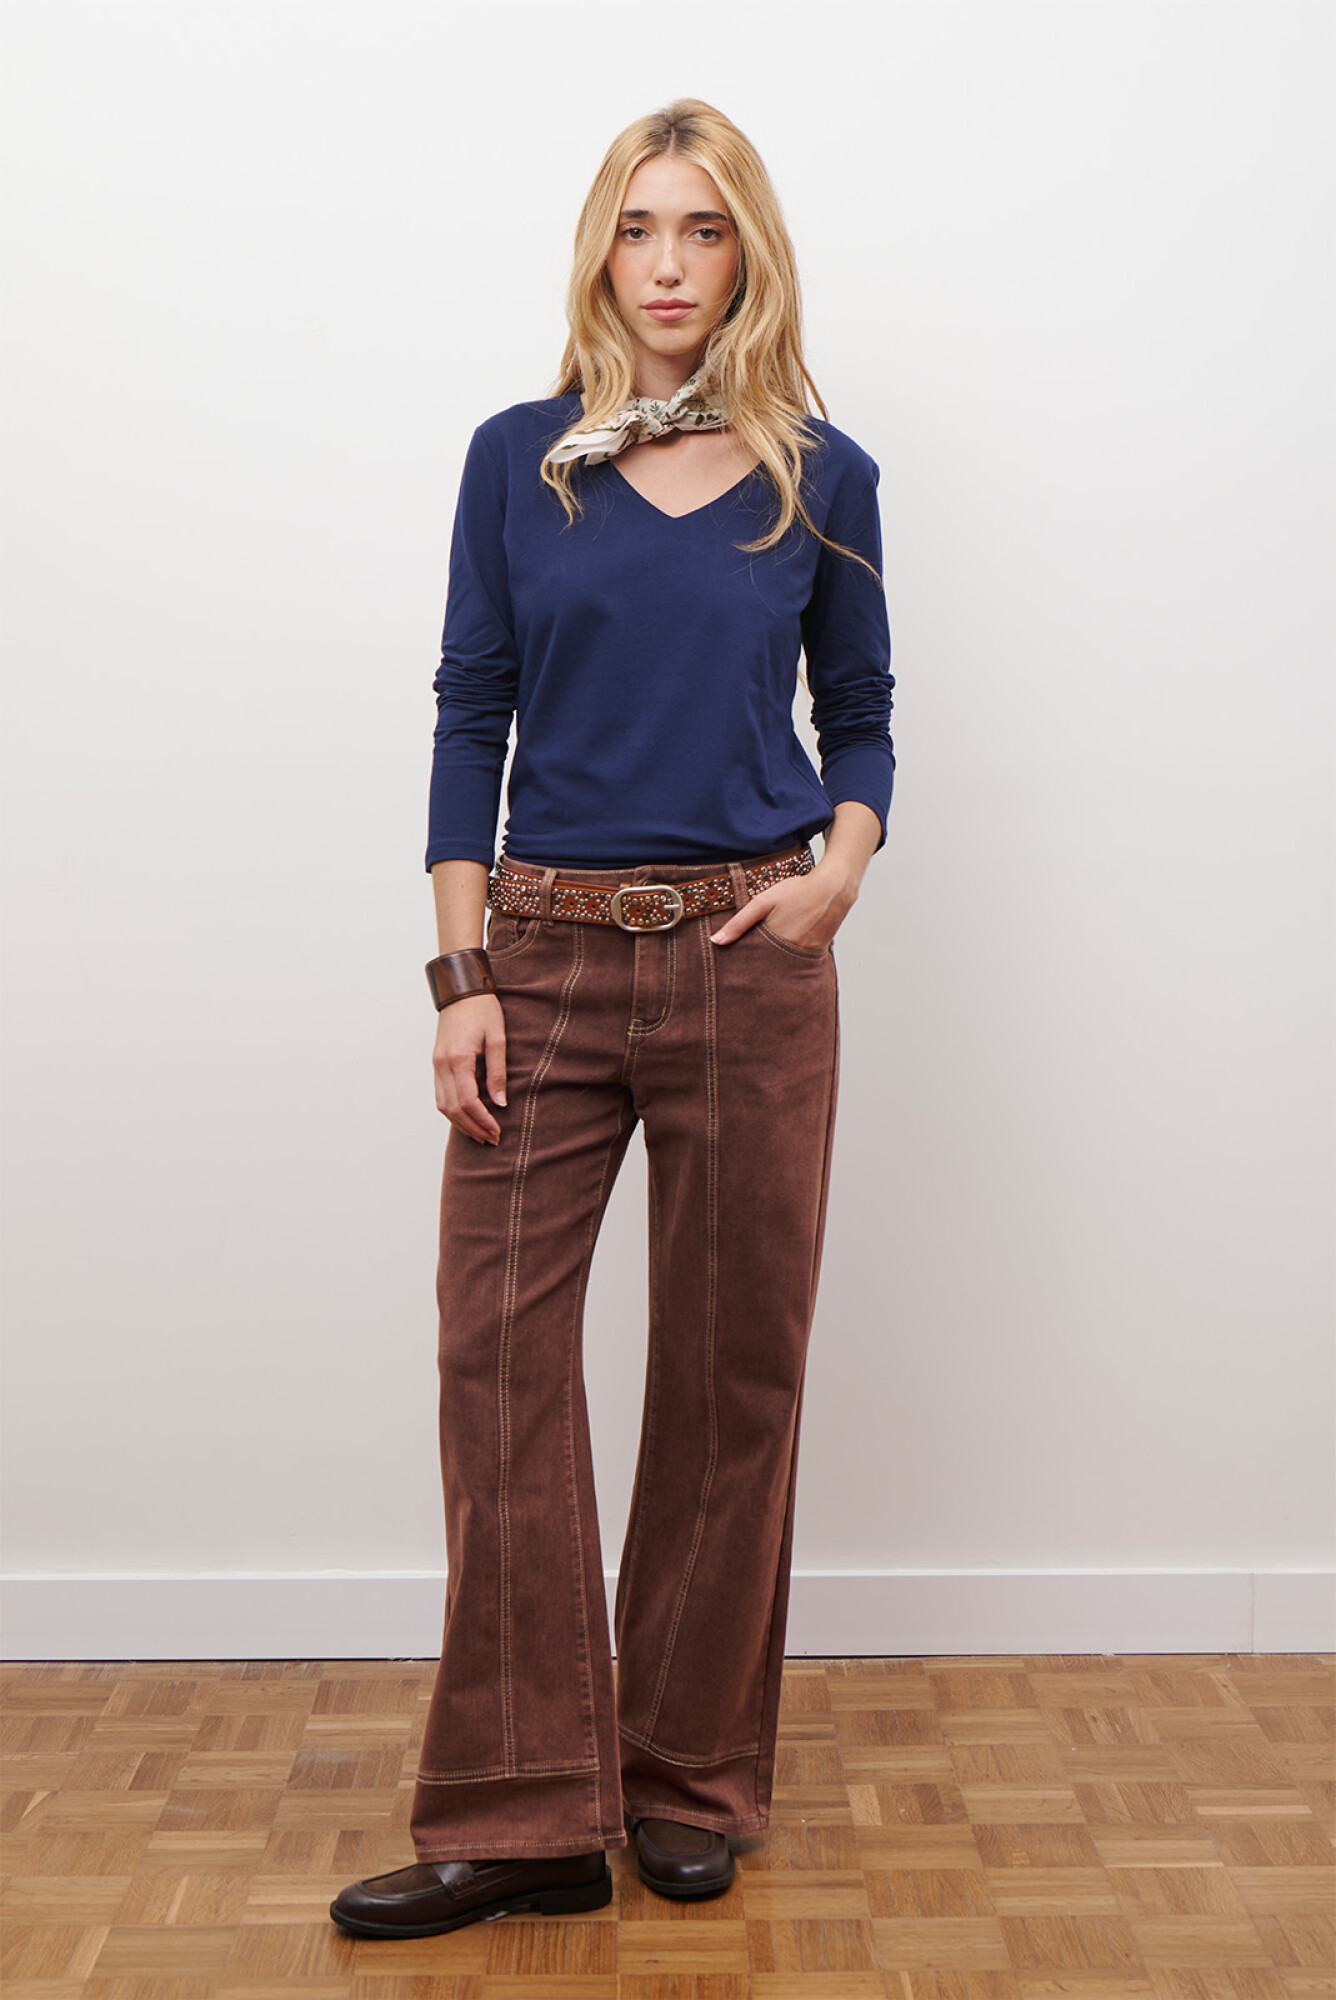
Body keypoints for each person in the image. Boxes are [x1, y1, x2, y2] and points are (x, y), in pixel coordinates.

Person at [331, 96, 895, 1941]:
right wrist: (460, 976)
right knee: (493, 1363)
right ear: (600, 249)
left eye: (705, 229)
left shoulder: (824, 475)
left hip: (750, 957)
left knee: (734, 1381)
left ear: (750, 255)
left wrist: (841, 868)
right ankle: (522, 1810)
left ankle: (687, 1776)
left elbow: (862, 712)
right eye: (642, 227)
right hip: (546, 960)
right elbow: (467, 710)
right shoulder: (520, 462)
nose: (669, 264)